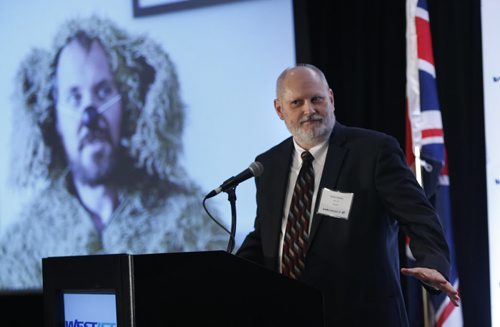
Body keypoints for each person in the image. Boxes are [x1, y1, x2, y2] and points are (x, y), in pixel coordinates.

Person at [0, 16, 226, 289]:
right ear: (53, 116)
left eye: (103, 91)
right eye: (74, 97)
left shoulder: (188, 222)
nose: (89, 115)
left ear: (128, 103)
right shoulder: (23, 247)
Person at [236, 64, 460, 326]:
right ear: (279, 110)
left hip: (364, 316)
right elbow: (267, 236)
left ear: (330, 99)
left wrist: (432, 263)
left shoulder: (374, 152)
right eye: (297, 102)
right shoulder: (268, 165)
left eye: (316, 99)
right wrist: (226, 274)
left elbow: (420, 217)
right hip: (291, 315)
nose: (309, 110)